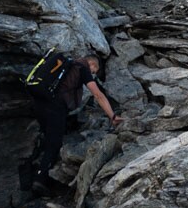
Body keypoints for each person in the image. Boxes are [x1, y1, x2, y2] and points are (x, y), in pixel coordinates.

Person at [25, 53, 121, 195]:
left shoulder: (67, 66)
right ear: (92, 64)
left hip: (40, 103)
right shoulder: (82, 68)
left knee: (46, 138)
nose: (93, 74)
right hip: (55, 107)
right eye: (94, 71)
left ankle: (30, 176)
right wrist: (112, 115)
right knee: (54, 142)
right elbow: (97, 94)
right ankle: (40, 180)